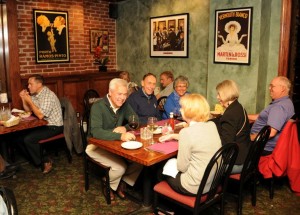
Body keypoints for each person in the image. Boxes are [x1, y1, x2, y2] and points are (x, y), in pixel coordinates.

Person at [85, 78, 143, 201]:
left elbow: (136, 120)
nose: (122, 98)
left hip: (114, 144)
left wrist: (124, 127)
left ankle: (121, 181)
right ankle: (108, 184)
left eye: (125, 94)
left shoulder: (124, 104)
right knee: (120, 167)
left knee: (140, 162)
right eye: (119, 94)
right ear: (110, 92)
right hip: (95, 145)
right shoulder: (98, 106)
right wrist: (120, 136)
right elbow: (96, 132)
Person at [159, 94, 222, 195]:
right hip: (212, 182)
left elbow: (182, 168)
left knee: (160, 169)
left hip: (194, 187)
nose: (180, 110)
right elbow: (198, 138)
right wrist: (174, 136)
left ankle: (166, 207)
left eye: (182, 108)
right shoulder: (212, 125)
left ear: (189, 111)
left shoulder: (186, 133)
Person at [18, 74, 63, 174]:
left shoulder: (48, 95)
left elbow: (40, 115)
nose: (28, 86)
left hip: (54, 126)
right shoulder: (36, 94)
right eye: (28, 84)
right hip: (43, 125)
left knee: (28, 139)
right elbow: (28, 110)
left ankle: (44, 161)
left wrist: (29, 100)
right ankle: (40, 157)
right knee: (18, 137)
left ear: (39, 84)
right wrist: (23, 98)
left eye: (30, 84)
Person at [211, 80, 251, 173]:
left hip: (236, 161)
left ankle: (209, 186)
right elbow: (222, 120)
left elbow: (226, 144)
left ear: (226, 94)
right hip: (245, 155)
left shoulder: (230, 114)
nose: (217, 97)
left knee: (203, 164)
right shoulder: (237, 106)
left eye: (219, 94)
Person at [249, 76, 295, 155]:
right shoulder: (286, 102)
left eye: (272, 86)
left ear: (282, 88)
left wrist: (250, 138)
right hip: (263, 145)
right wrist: (244, 115)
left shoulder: (279, 107)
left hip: (261, 147)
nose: (269, 89)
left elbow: (271, 133)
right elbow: (262, 117)